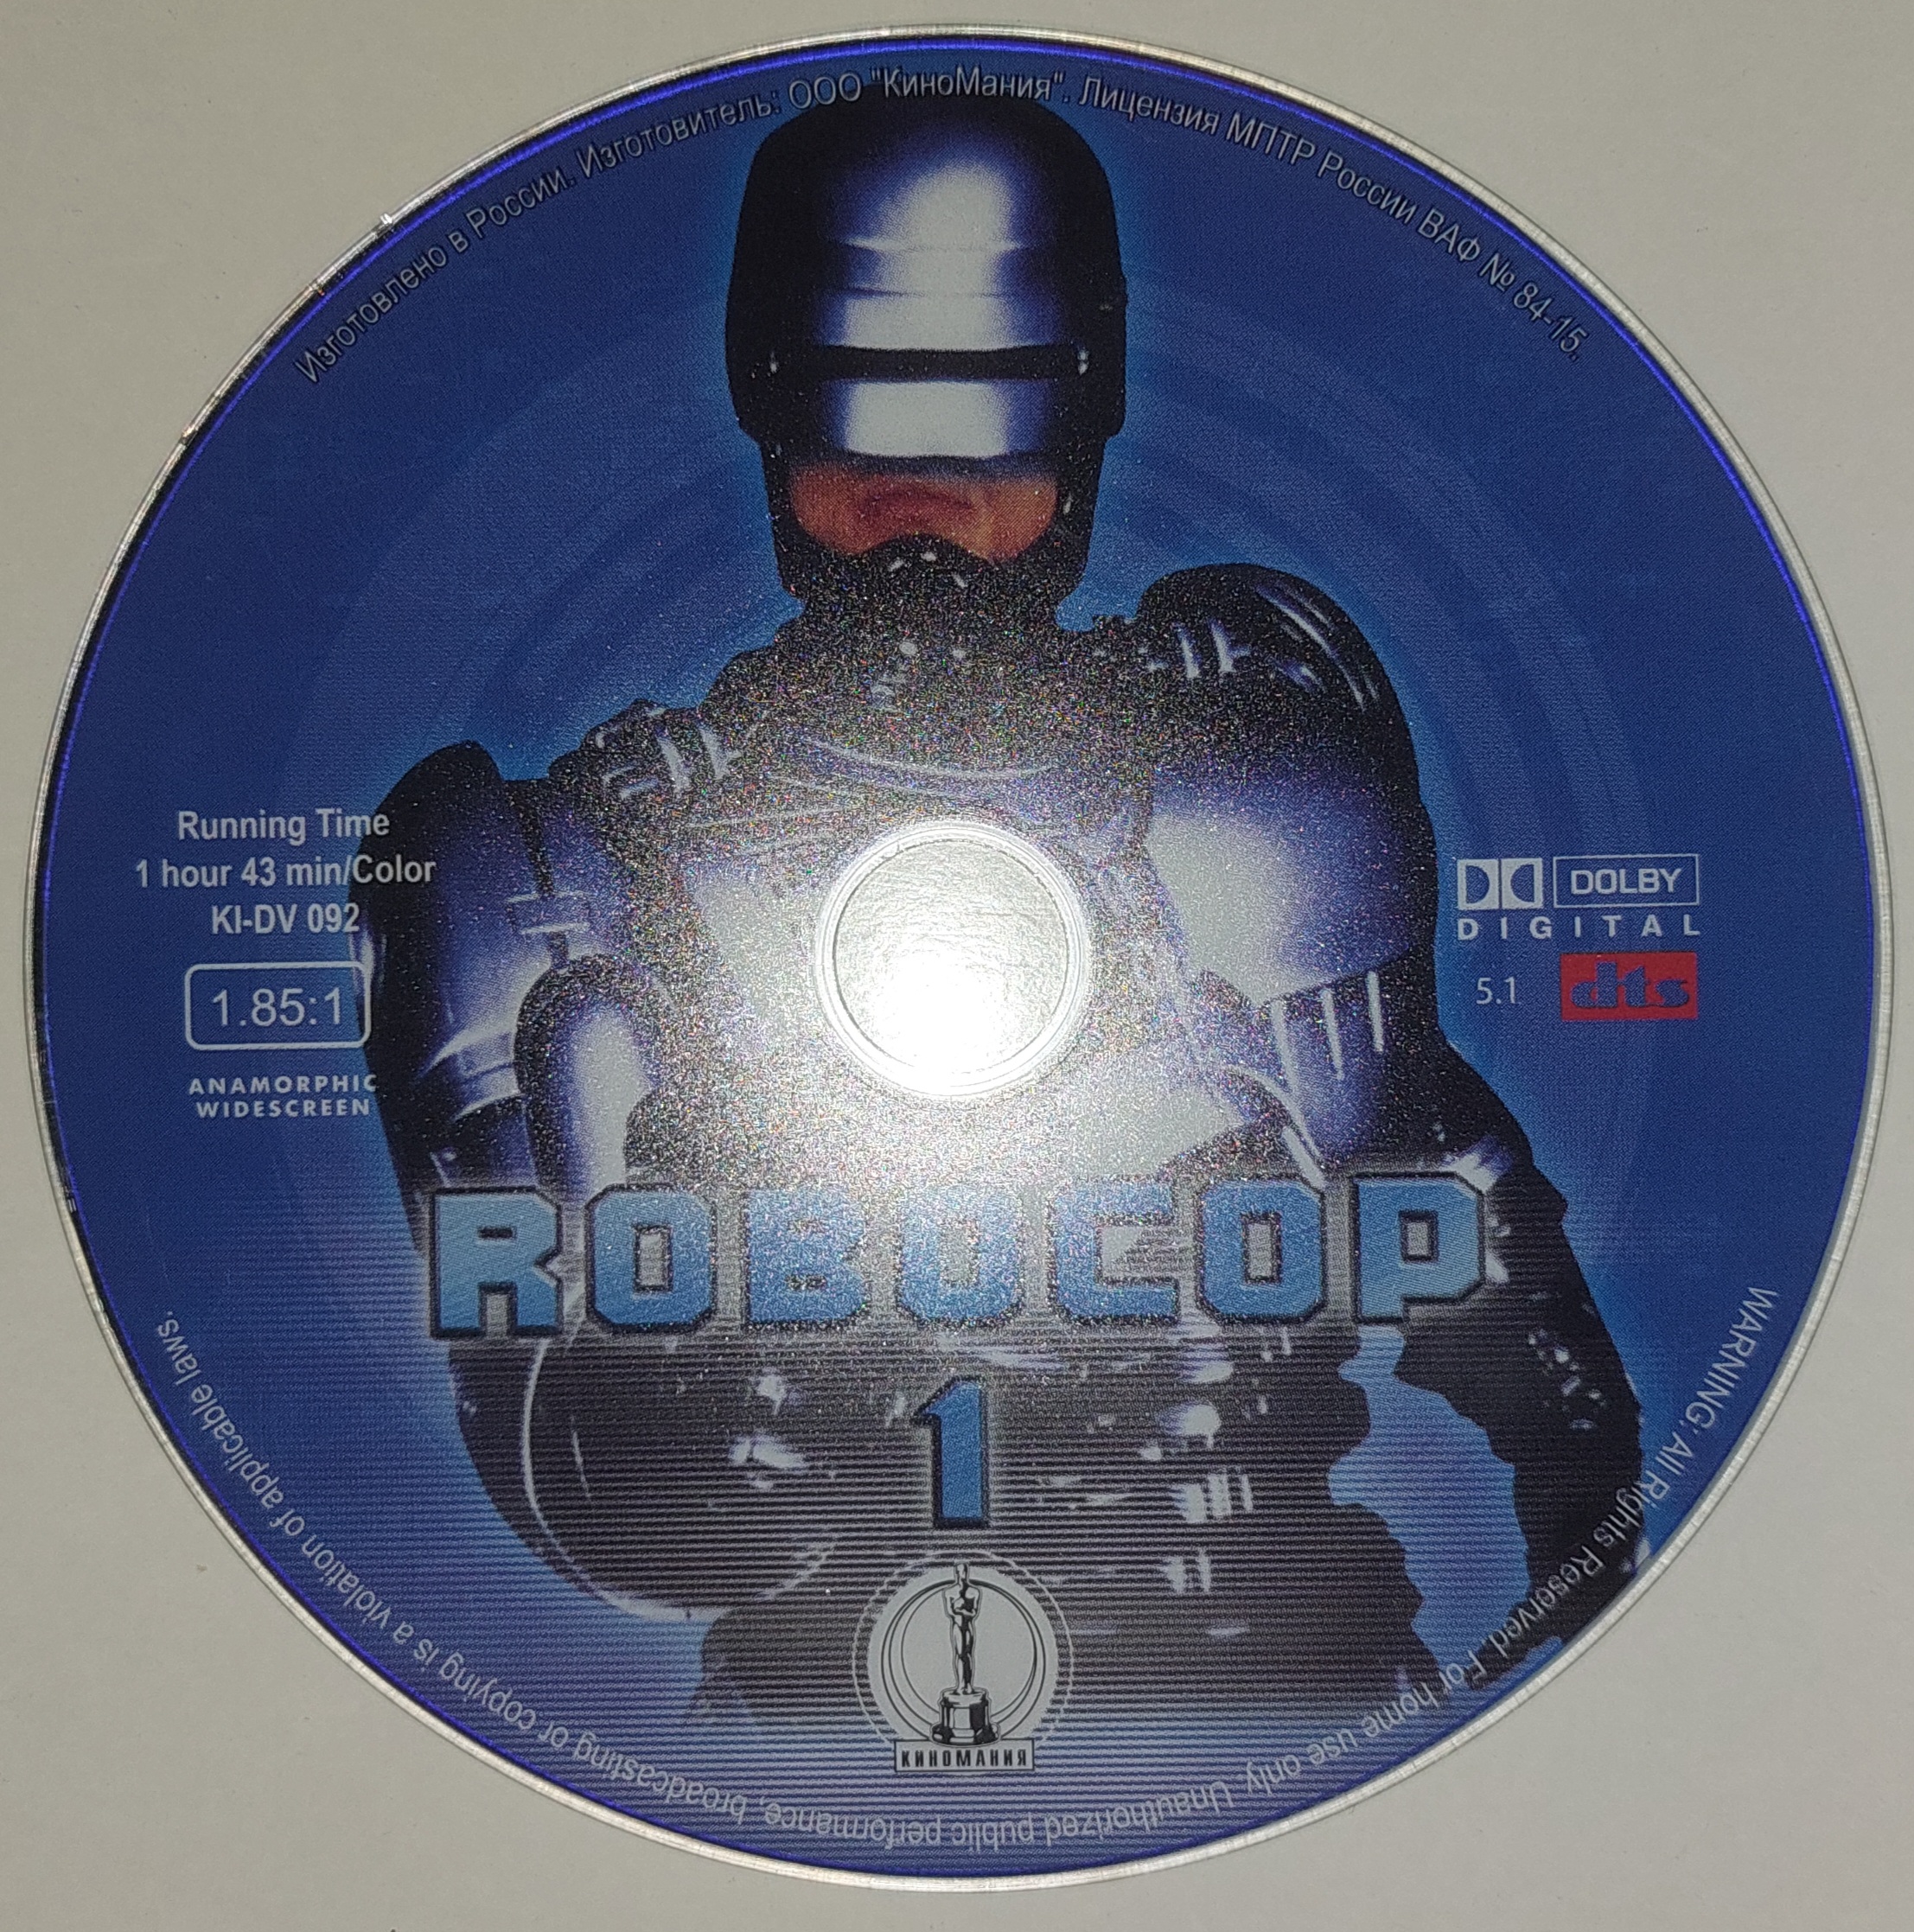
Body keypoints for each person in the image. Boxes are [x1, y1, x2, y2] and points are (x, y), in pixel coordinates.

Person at [357, 91, 1640, 1726]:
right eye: (859, 454)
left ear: (1076, 432)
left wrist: (1583, 1585)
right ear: (771, 422)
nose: (920, 518)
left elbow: (1460, 1221)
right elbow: (557, 1451)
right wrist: (691, 1398)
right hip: (826, 1723)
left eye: (982, 452)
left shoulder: (1255, 783)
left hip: (1300, 1680)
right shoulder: (569, 868)